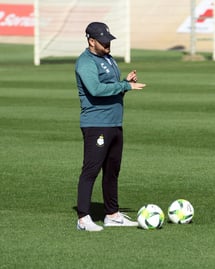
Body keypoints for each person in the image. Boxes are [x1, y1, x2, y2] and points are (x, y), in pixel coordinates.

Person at [75, 22, 146, 231]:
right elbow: (96, 90)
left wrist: (124, 83)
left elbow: (112, 90)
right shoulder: (85, 62)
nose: (108, 44)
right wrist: (125, 85)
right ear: (91, 41)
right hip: (96, 124)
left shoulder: (108, 58)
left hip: (115, 123)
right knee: (91, 170)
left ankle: (112, 214)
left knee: (112, 171)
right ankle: (83, 218)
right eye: (104, 41)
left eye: (109, 40)